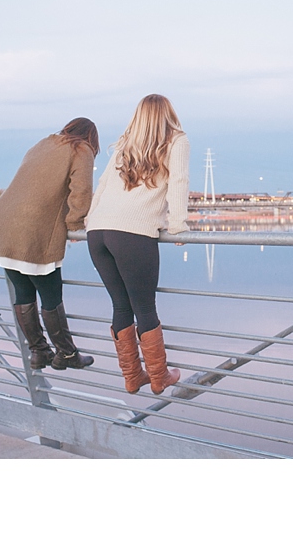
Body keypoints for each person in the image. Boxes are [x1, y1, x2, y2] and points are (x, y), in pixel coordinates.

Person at [86, 94, 189, 395]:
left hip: (98, 233)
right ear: (168, 114)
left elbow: (103, 185)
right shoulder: (177, 141)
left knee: (121, 305)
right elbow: (179, 182)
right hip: (132, 233)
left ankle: (133, 377)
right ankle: (159, 377)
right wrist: (178, 225)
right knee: (144, 306)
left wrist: (91, 220)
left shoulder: (125, 143)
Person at [0, 118, 99, 371]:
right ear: (91, 137)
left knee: (23, 292)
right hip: (34, 227)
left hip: (3, 223)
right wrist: (76, 224)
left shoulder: (43, 144)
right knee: (50, 292)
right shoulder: (81, 148)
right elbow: (81, 190)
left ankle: (39, 352)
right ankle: (66, 354)